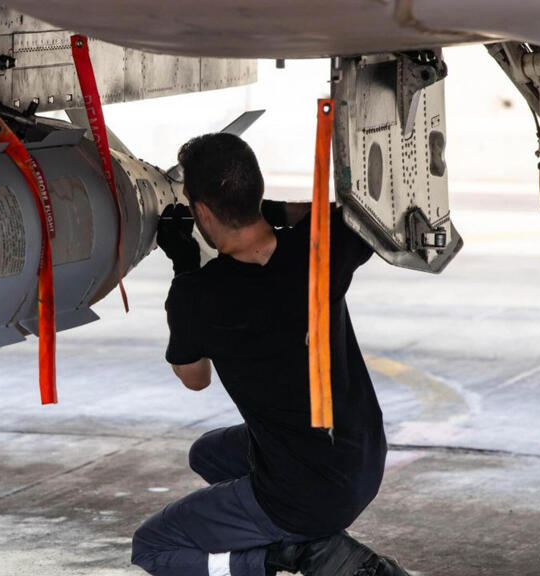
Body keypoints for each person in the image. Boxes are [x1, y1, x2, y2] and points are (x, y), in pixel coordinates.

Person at [131, 132, 408, 576]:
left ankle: (297, 554)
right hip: (362, 460)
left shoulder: (200, 294)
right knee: (208, 455)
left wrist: (185, 269)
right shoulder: (320, 249)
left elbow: (194, 377)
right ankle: (320, 539)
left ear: (201, 212)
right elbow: (355, 216)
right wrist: (272, 213)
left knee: (152, 547)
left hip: (302, 494)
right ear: (257, 192)